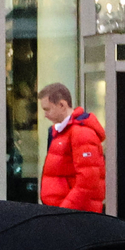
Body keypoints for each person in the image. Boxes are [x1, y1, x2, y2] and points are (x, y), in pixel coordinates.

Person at [38, 83, 105, 212]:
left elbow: (88, 182)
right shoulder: (61, 132)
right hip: (65, 213)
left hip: (74, 216)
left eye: (47, 109)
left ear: (62, 105)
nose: (45, 115)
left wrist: (64, 212)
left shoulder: (81, 133)